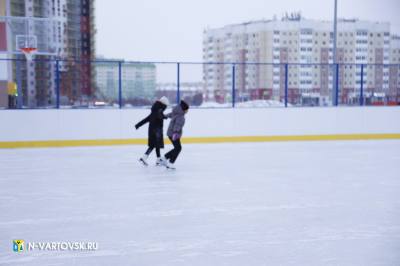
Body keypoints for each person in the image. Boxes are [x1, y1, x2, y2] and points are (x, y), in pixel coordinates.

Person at [135, 96, 169, 166]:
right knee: (154, 145)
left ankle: (158, 159)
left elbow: (146, 119)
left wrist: (138, 125)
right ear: (164, 105)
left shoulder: (155, 110)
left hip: (152, 130)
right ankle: (144, 157)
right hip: (156, 131)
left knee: (156, 145)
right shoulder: (159, 110)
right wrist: (165, 117)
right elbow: (159, 115)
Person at [161, 100, 189, 170]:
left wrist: (164, 116)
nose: (187, 111)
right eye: (187, 109)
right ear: (183, 109)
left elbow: (170, 114)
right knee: (178, 148)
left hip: (170, 133)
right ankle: (170, 163)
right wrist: (176, 133)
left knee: (177, 148)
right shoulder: (181, 117)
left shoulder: (176, 113)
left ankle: (164, 158)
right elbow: (177, 125)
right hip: (174, 134)